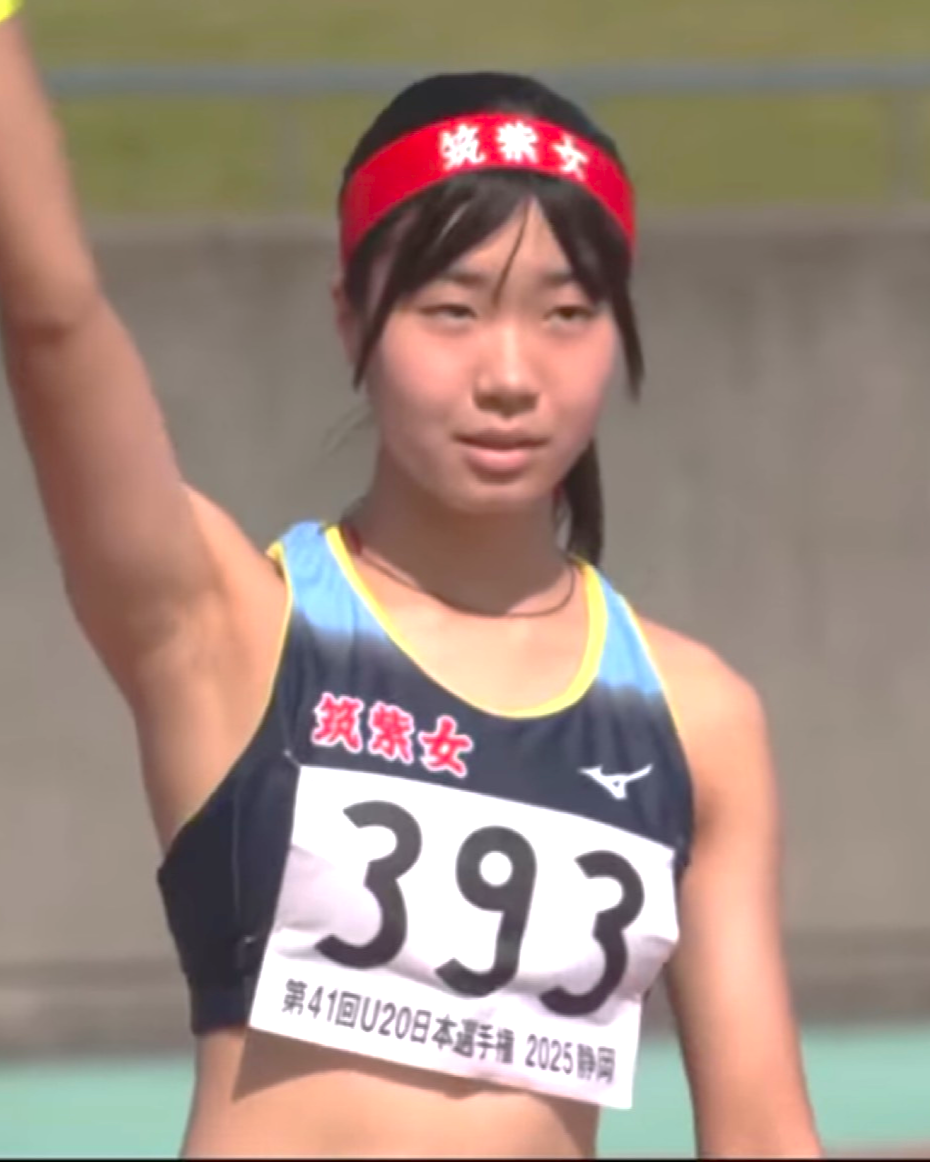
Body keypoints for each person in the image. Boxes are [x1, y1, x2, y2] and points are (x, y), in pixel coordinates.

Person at [0, 6, 822, 1159]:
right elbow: (52, 321)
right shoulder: (231, 630)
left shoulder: (697, 719)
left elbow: (765, 1138)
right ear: (352, 320)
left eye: (567, 313)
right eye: (451, 310)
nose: (509, 373)